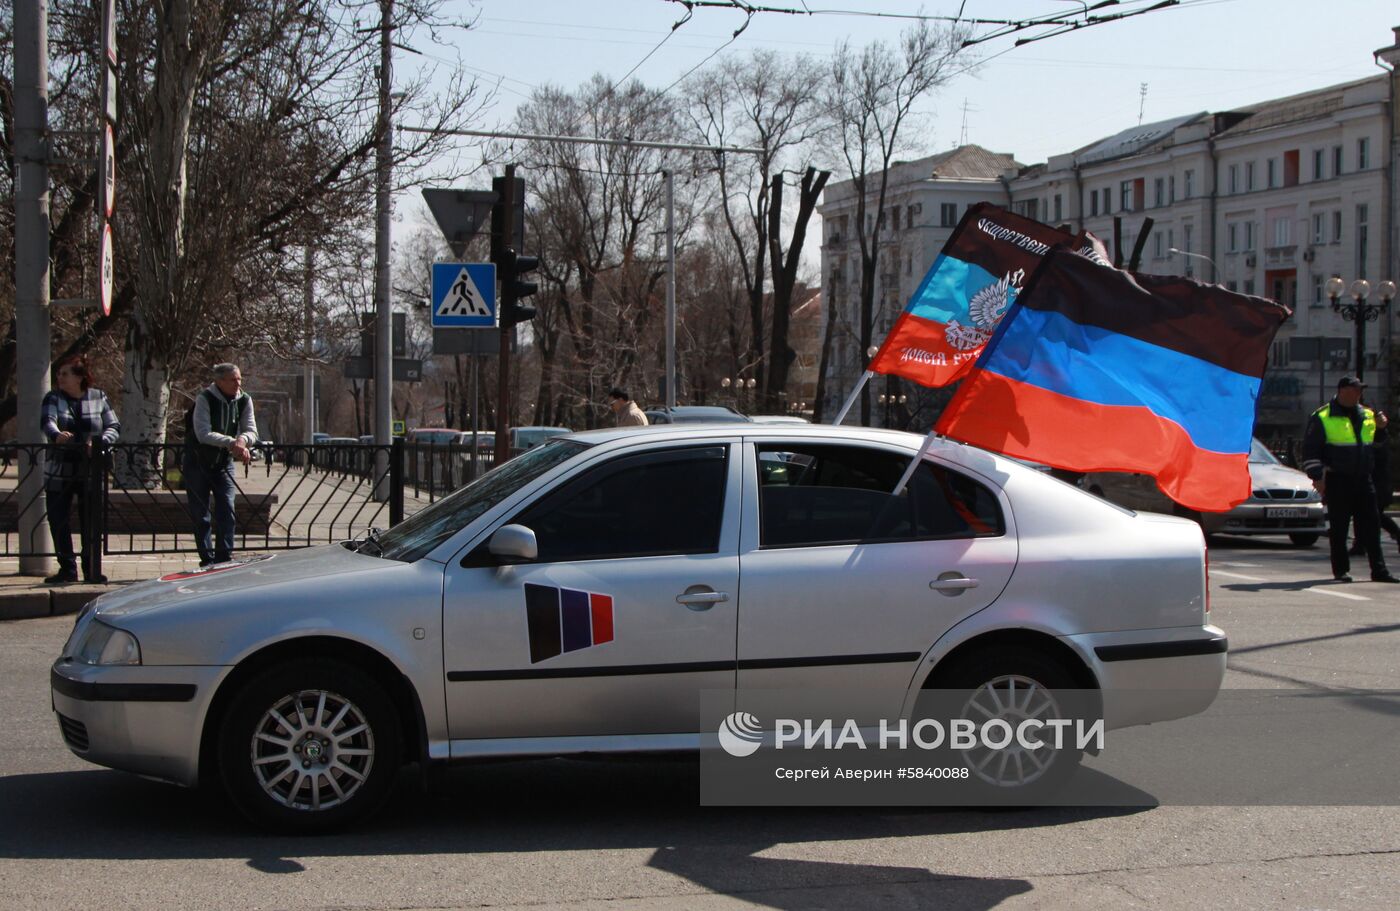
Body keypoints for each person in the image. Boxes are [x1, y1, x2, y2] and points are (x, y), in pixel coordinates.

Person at [1300, 376, 1398, 583]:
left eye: (1360, 390)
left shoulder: (1368, 414)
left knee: (1372, 526)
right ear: (1342, 391)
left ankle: (1379, 570)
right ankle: (1341, 570)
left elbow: (1377, 443)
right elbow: (1310, 450)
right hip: (1338, 479)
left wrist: (1382, 428)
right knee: (1339, 528)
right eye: (1354, 390)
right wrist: (1317, 477)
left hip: (1363, 478)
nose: (1358, 394)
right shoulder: (1323, 416)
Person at [40, 355, 120, 584]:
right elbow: (47, 421)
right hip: (59, 469)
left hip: (90, 471)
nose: (59, 377)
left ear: (80, 377)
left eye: (65, 373)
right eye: (59, 374)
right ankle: (67, 569)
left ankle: (91, 568)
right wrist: (56, 435)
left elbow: (113, 425)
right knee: (59, 519)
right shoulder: (53, 397)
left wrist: (100, 442)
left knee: (90, 522)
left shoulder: (98, 396)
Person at [183, 363, 257, 567]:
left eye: (240, 379)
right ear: (220, 381)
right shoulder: (205, 399)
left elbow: (251, 429)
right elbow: (202, 433)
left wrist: (243, 440)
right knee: (201, 514)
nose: (238, 383)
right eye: (233, 380)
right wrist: (232, 442)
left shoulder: (244, 400)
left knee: (227, 510)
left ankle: (224, 559)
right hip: (198, 462)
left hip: (223, 464)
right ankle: (207, 559)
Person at [1349, 408, 1400, 554]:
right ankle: (1359, 545)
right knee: (1361, 513)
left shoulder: (1378, 435)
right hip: (1367, 478)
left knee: (1374, 515)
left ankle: (1395, 533)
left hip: (1377, 481)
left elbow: (1377, 453)